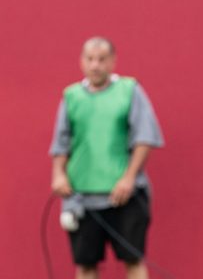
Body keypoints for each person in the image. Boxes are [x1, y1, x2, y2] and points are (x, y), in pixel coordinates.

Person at [49, 37, 164, 279]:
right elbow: (61, 142)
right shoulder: (71, 96)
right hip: (81, 197)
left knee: (133, 260)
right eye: (90, 59)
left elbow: (144, 137)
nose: (95, 65)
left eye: (102, 59)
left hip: (124, 195)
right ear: (81, 62)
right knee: (85, 265)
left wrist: (129, 178)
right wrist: (58, 174)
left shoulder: (129, 90)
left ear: (113, 61)